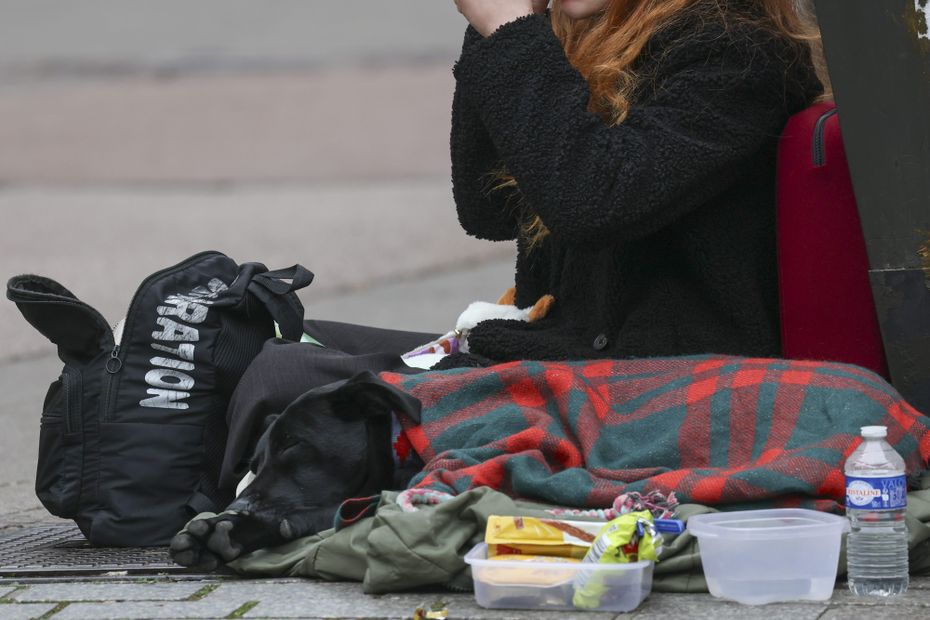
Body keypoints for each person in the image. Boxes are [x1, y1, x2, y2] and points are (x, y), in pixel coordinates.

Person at [447, 0, 828, 364]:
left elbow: (593, 203)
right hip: (569, 353)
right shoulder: (582, 37)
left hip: (672, 377)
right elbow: (489, 211)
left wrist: (510, 34)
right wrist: (495, 34)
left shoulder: (738, 56)